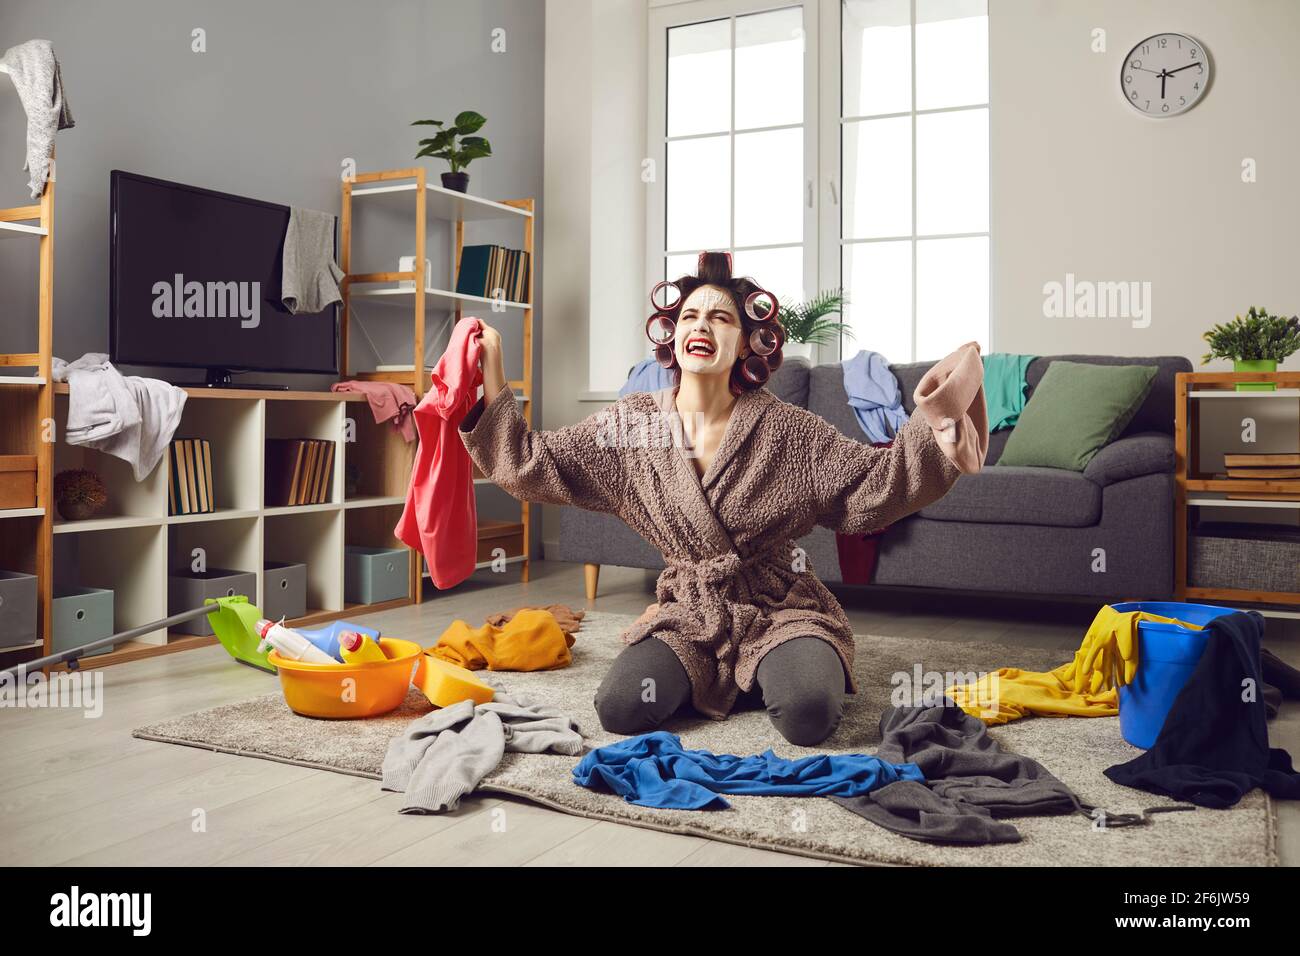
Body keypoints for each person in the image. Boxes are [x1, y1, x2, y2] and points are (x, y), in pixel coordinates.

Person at [460, 252, 987, 746]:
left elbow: (873, 485)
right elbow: (535, 463)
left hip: (779, 606)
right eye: (689, 316)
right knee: (620, 709)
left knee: (808, 715)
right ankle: (730, 672)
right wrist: (493, 374)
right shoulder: (633, 426)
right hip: (692, 610)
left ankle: (770, 666)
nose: (701, 326)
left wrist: (937, 423)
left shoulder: (787, 432)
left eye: (721, 318)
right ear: (673, 336)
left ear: (746, 343)